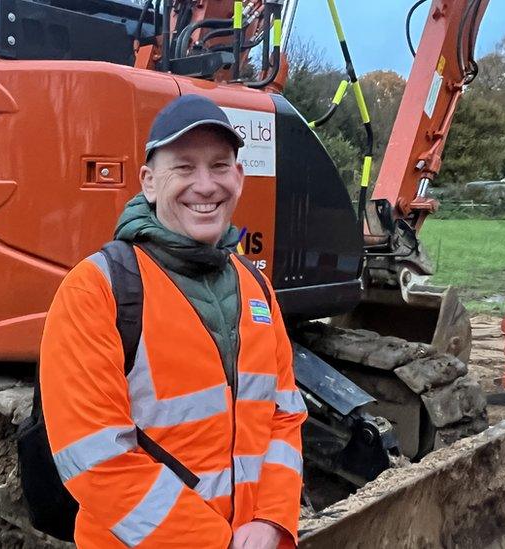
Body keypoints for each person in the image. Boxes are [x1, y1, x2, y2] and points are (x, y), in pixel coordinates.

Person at [40, 95, 307, 549]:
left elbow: (284, 417)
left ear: (239, 177)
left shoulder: (255, 288)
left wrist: (271, 520)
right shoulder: (97, 291)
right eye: (183, 168)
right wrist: (215, 543)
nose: (205, 186)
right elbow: (96, 458)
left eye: (220, 166)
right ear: (148, 181)